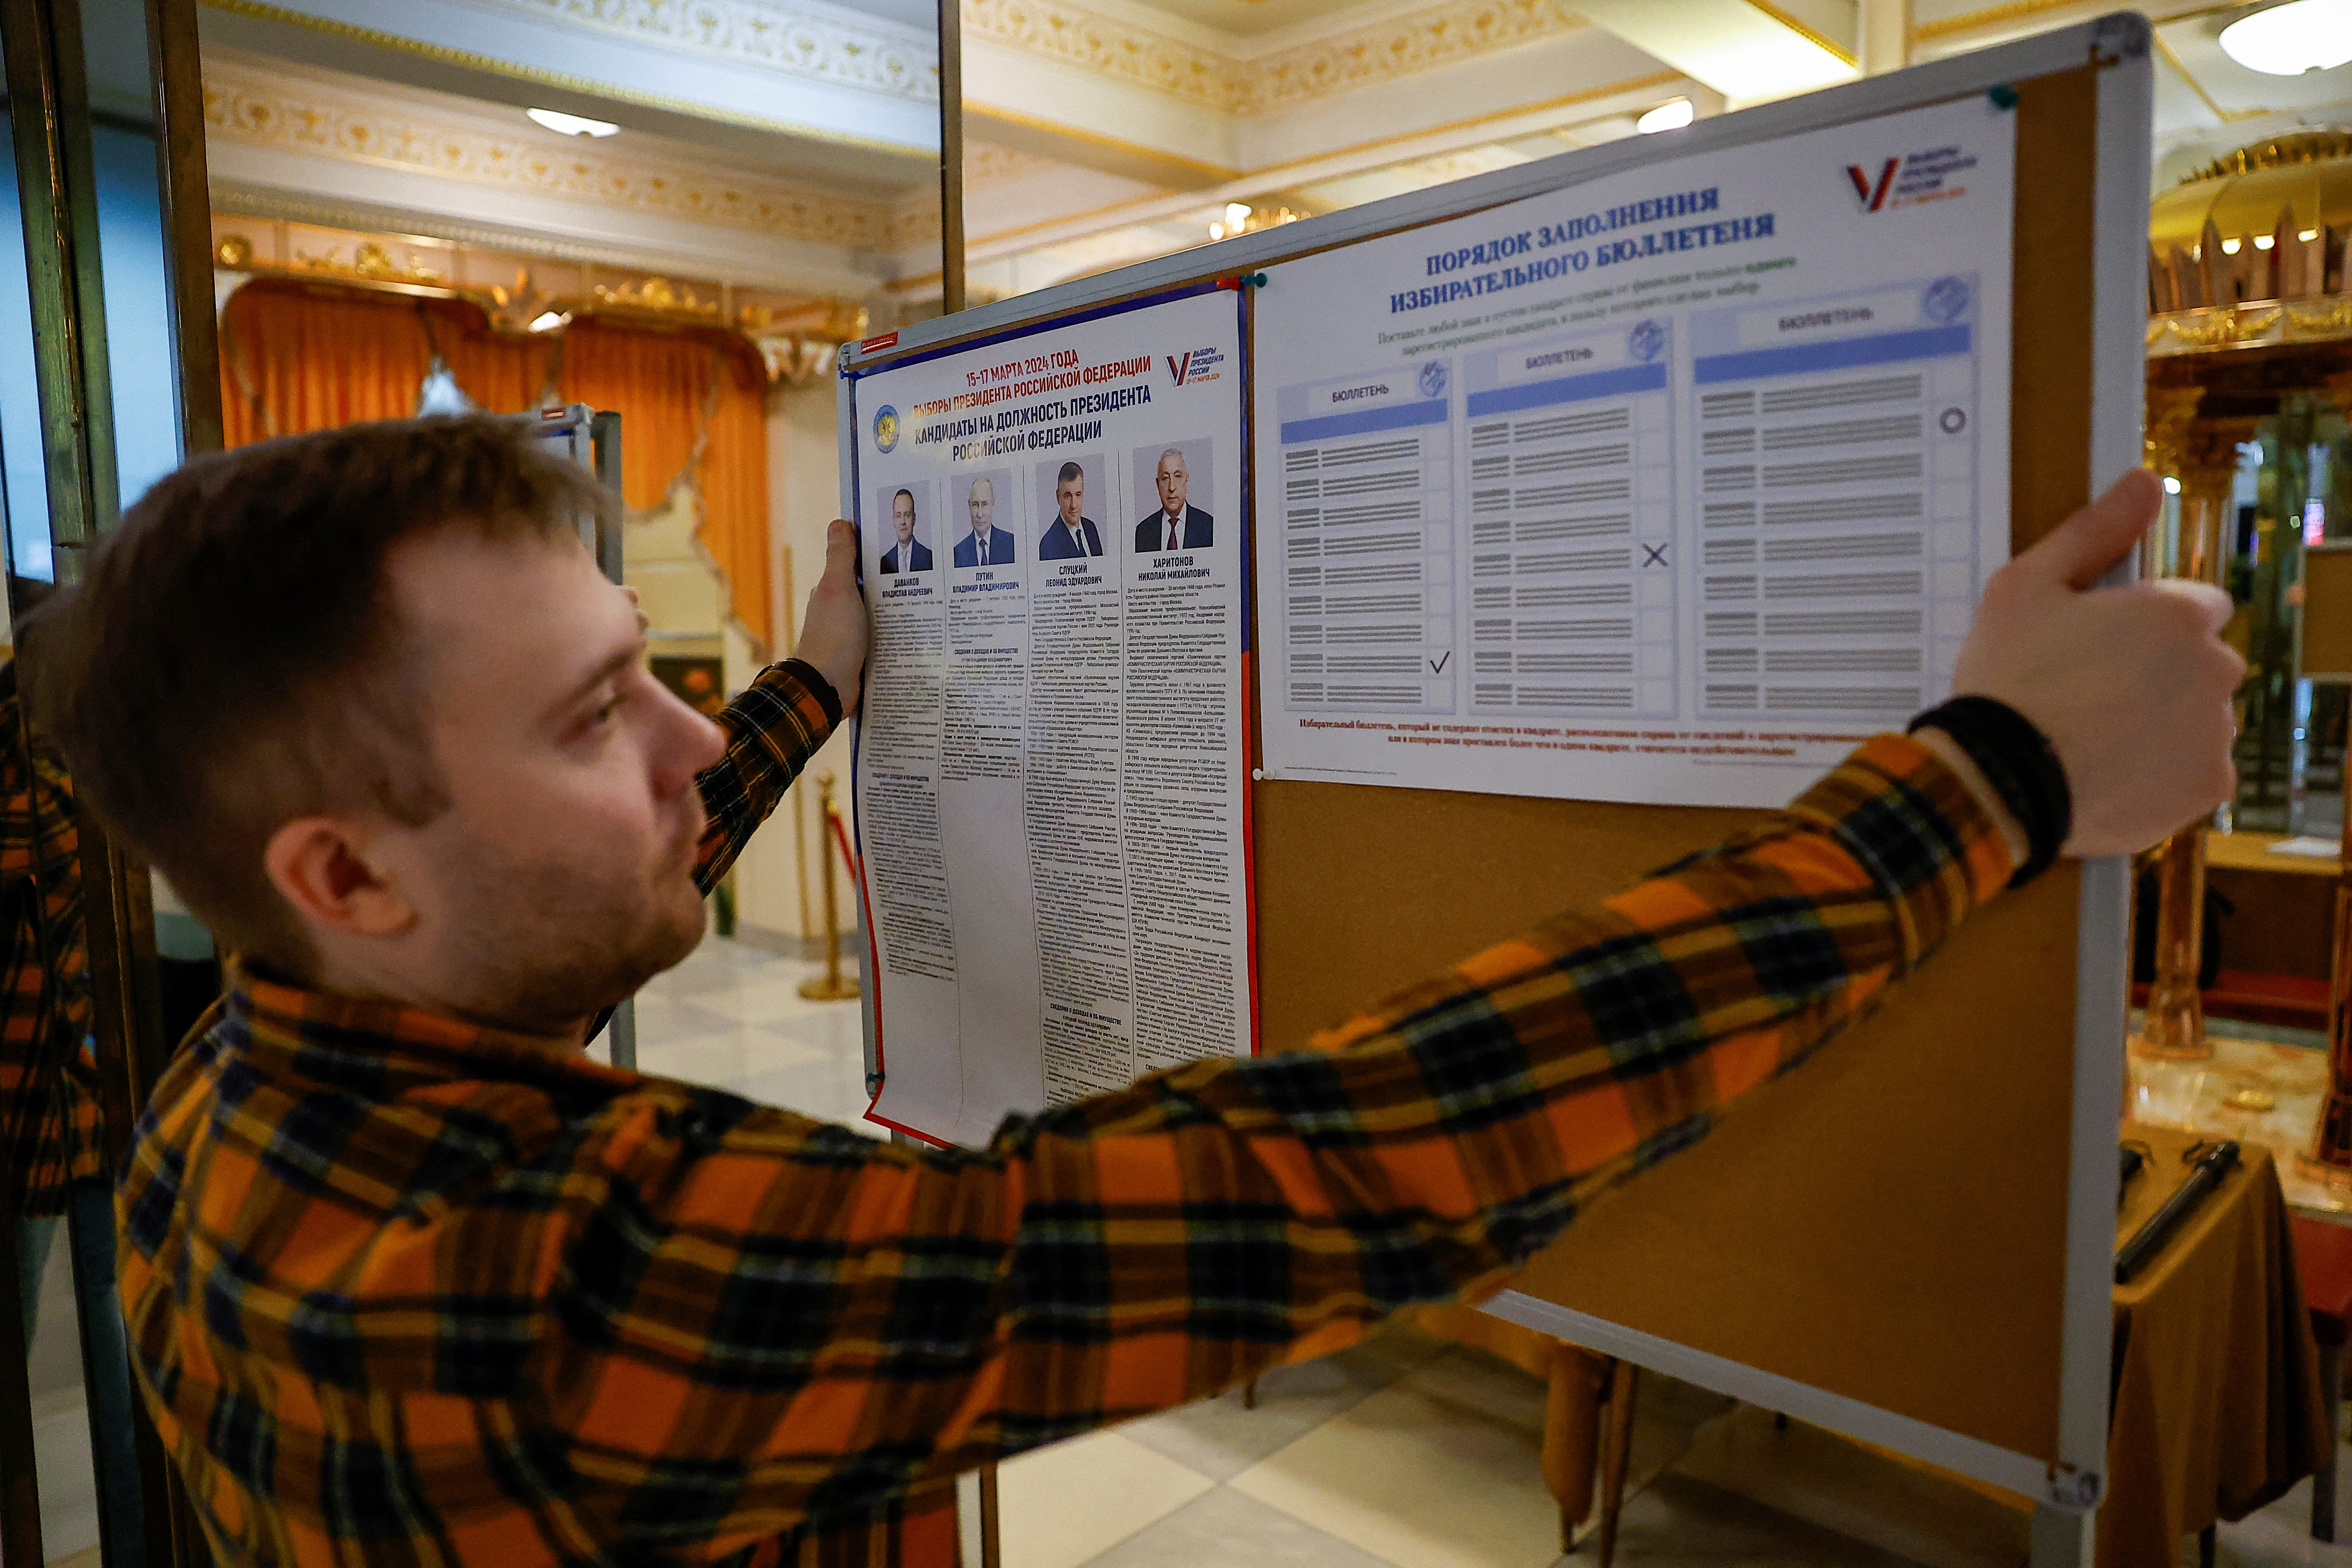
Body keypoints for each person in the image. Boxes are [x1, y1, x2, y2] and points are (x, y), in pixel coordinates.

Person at [28, 416, 2236, 1568]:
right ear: (346, 872)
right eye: (605, 715)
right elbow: (1307, 1179)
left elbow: (581, 860)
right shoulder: (534, 1297)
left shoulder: (235, 1091)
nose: (698, 755)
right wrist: (1992, 777)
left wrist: (809, 679)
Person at [0, 597, 147, 1568]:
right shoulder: (50, 786)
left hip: (96, 1097)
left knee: (120, 1333)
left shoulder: (103, 768)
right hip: (32, 1105)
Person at [1136, 446, 1212, 551]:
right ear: (1158, 484)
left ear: (1187, 481)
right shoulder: (1143, 532)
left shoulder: (1208, 526)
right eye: (1165, 478)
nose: (1172, 487)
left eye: (1178, 476)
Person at [1039, 461, 1105, 559]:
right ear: (1058, 498)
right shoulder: (1048, 544)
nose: (1074, 505)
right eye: (1068, 497)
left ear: (1083, 495)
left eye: (1078, 495)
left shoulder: (1091, 528)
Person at [954, 474, 1016, 568]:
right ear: (969, 506)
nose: (980, 514)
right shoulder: (959, 553)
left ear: (993, 504)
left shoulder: (1011, 545)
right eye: (975, 505)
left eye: (984, 505)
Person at [878, 488, 932, 575]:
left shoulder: (929, 558)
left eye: (907, 515)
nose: (903, 522)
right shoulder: (885, 562)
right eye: (898, 516)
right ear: (894, 520)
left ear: (914, 519)